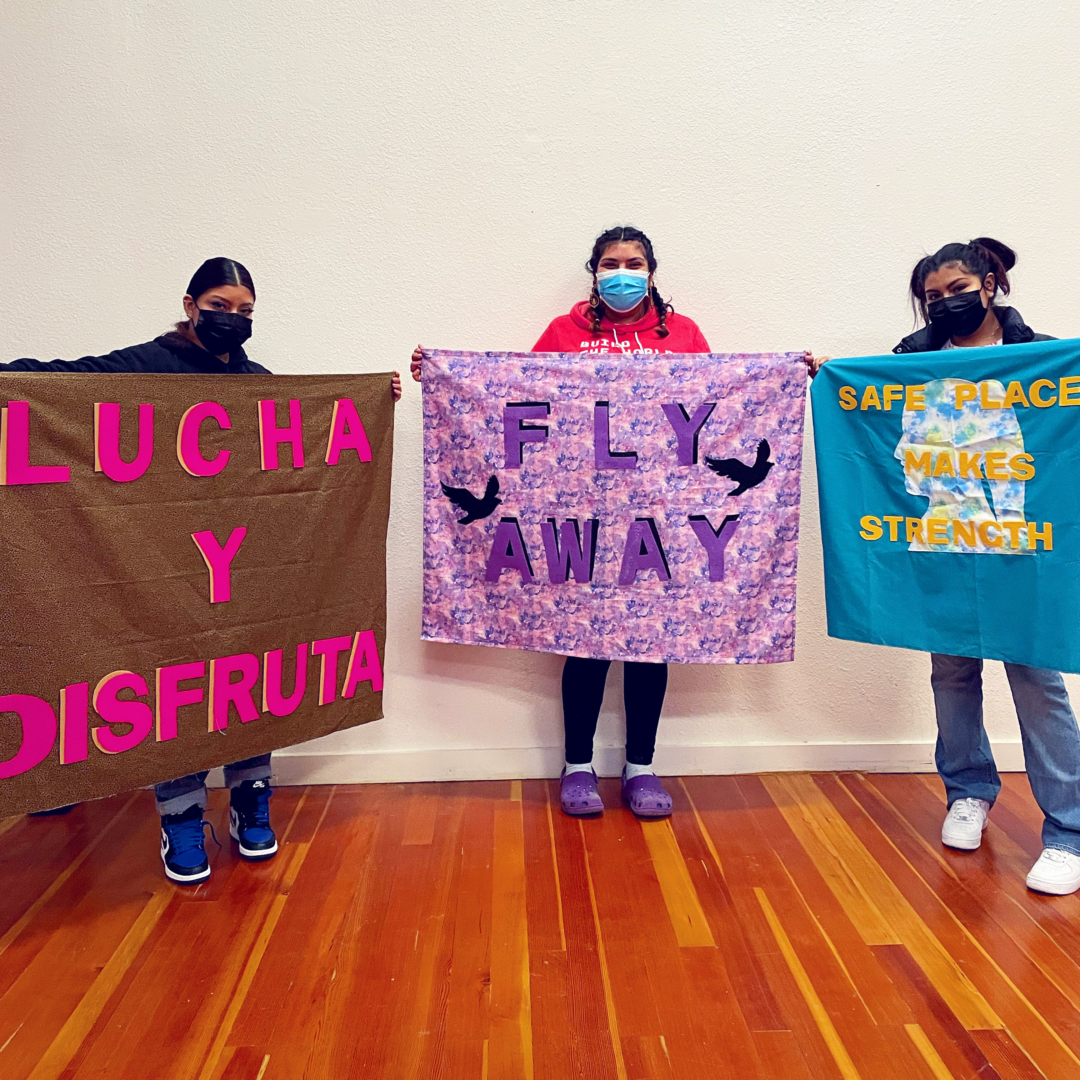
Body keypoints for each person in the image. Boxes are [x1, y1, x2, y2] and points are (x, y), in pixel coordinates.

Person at [4, 257, 403, 884]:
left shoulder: (255, 381)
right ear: (190, 304)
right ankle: (182, 820)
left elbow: (304, 440)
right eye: (220, 306)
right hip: (164, 569)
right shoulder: (146, 365)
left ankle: (252, 805)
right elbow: (63, 386)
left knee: (248, 677)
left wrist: (375, 402)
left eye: (245, 310)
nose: (233, 319)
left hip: (243, 569)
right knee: (173, 687)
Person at [411, 226, 713, 819]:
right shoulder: (564, 332)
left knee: (652, 644)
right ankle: (577, 766)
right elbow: (515, 399)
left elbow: (715, 407)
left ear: (652, 270)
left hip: (658, 512)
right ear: (593, 271)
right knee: (583, 640)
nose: (621, 272)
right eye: (610, 263)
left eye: (633, 263)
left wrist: (789, 374)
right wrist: (442, 375)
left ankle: (641, 768)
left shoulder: (683, 334)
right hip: (578, 515)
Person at [897, 237, 1080, 895]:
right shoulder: (910, 362)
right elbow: (869, 418)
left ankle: (1069, 833)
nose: (947, 303)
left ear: (991, 282)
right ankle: (968, 791)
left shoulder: (1047, 357)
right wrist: (829, 374)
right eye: (933, 297)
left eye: (957, 289)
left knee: (1035, 673)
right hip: (943, 534)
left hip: (1020, 538)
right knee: (951, 667)